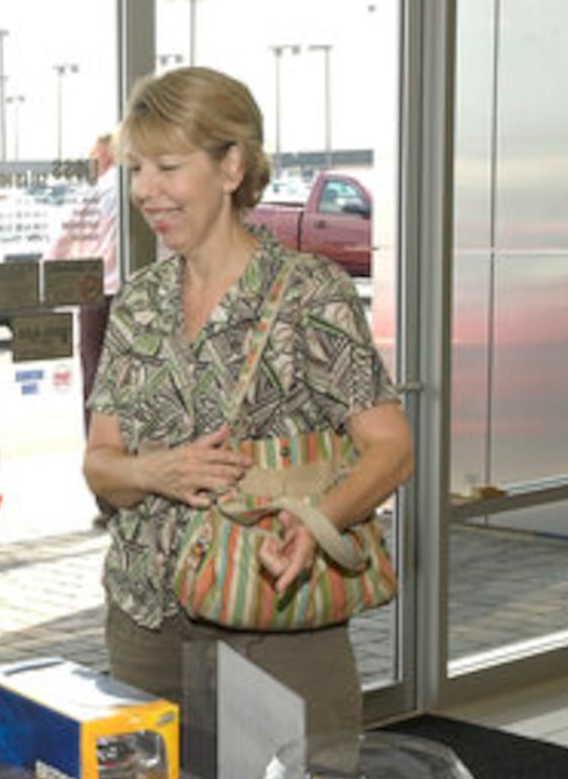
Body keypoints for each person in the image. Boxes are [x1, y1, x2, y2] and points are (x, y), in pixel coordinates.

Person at [82, 67, 413, 737]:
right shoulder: (139, 304)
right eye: (138, 167)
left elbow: (392, 448)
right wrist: (154, 472)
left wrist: (319, 524)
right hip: (146, 622)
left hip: (274, 611)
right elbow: (100, 465)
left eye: (168, 167)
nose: (145, 190)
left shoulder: (308, 294)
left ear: (231, 165)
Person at [48, 132, 123, 437]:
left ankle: (98, 445)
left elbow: (63, 239)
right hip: (134, 291)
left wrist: (40, 281)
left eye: (93, 156)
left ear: (107, 156)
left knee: (95, 374)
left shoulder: (100, 190)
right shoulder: (141, 187)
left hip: (99, 292)